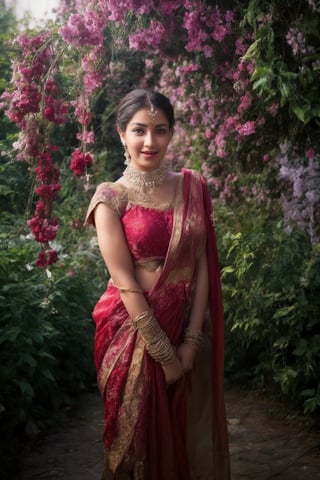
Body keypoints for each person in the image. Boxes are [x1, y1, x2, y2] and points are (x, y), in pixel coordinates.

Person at [85, 89, 230, 480]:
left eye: (160, 130)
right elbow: (125, 281)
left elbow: (201, 266)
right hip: (132, 333)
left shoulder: (192, 187)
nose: (150, 142)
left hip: (186, 327)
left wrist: (191, 341)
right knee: (137, 444)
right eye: (139, 130)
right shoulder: (109, 198)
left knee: (182, 438)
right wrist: (164, 354)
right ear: (121, 134)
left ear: (171, 134)